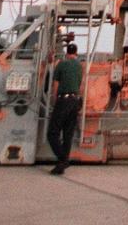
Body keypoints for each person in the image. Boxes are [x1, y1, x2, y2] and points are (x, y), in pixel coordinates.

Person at [47, 42, 83, 174]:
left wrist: (55, 100)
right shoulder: (79, 66)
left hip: (64, 99)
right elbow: (80, 84)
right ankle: (62, 163)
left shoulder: (61, 64)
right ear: (76, 53)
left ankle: (63, 159)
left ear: (67, 53)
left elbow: (55, 84)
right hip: (75, 100)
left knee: (52, 132)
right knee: (68, 133)